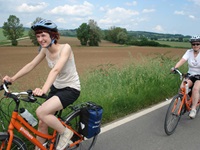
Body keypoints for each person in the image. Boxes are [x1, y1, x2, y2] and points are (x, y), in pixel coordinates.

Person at [2, 19, 81, 150]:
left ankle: (65, 133)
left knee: (41, 112)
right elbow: (31, 65)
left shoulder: (65, 48)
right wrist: (12, 78)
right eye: (38, 36)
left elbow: (56, 70)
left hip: (70, 89)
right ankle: (40, 148)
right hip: (57, 88)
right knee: (42, 122)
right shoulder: (45, 50)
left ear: (53, 35)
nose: (40, 39)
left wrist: (44, 89)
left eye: (43, 35)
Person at [171, 35, 200, 119]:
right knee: (182, 88)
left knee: (195, 89)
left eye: (197, 44)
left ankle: (193, 109)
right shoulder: (189, 52)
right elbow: (182, 60)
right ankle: (186, 101)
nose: (195, 46)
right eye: (193, 44)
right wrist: (175, 67)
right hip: (190, 74)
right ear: (191, 45)